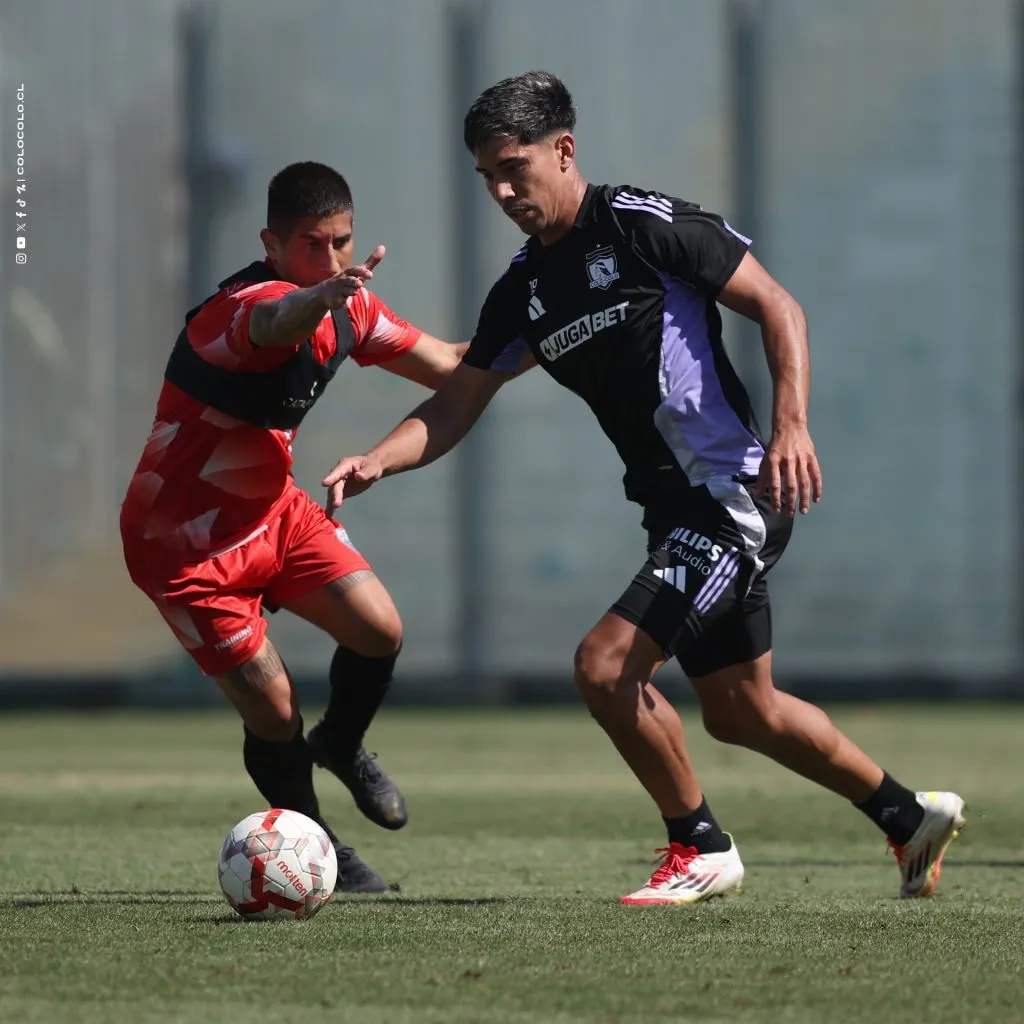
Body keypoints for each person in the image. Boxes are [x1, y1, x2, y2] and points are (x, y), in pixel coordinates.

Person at [321, 73, 966, 904]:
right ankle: (908, 816)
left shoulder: (643, 226)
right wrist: (376, 459)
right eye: (487, 176)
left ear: (565, 150)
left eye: (515, 167)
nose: (504, 190)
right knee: (742, 710)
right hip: (675, 514)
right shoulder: (522, 291)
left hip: (734, 493)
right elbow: (456, 402)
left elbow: (778, 306)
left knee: (604, 666)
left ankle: (700, 846)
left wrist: (793, 423)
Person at [120, 160, 467, 893]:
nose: (334, 260)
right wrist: (316, 295)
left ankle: (340, 744)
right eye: (313, 245)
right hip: (183, 543)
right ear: (270, 245)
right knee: (274, 710)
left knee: (379, 629)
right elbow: (279, 321)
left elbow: (451, 366)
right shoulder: (241, 310)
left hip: (273, 512)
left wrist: (554, 330)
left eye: (342, 242)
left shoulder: (352, 306)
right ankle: (322, 849)